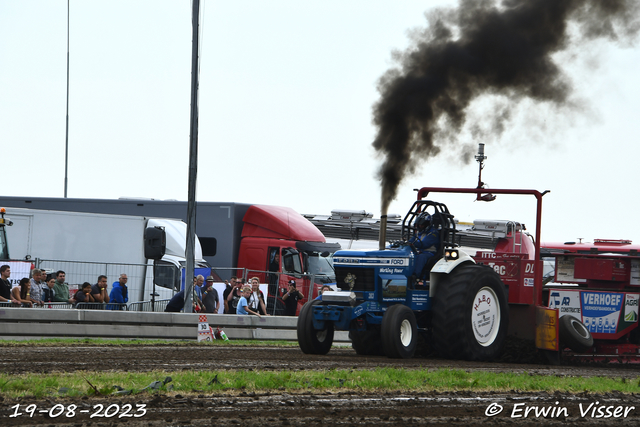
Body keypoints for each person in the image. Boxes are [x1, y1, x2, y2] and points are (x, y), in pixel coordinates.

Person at [408, 212, 440, 280]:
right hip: (419, 251)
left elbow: (424, 245)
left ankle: (415, 276)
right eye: (419, 225)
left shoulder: (433, 234)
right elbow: (411, 240)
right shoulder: (419, 233)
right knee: (410, 255)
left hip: (429, 253)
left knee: (421, 257)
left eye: (421, 225)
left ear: (427, 224)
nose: (420, 226)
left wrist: (413, 243)